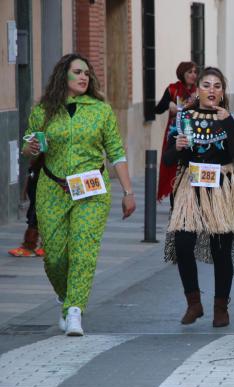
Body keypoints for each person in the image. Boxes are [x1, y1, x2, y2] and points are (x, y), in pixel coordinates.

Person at [21, 53, 136, 336]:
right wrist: (31, 149)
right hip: (52, 188)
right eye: (77, 72)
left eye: (87, 73)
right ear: (64, 76)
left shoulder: (100, 110)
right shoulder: (43, 111)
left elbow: (117, 153)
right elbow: (29, 146)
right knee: (55, 257)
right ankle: (66, 297)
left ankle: (75, 311)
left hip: (91, 188)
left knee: (83, 249)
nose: (84, 77)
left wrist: (128, 191)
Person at [163, 67, 234, 328]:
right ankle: (193, 302)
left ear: (222, 91)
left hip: (222, 187)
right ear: (197, 89)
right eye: (206, 85)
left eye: (217, 86)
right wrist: (177, 147)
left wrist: (227, 122)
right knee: (183, 244)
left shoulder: (230, 118)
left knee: (221, 249)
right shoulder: (183, 117)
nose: (212, 90)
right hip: (190, 188)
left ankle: (220, 307)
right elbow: (169, 158)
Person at [155, 62, 198, 201]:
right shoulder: (173, 89)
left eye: (195, 72)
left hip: (194, 132)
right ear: (182, 73)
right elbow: (158, 108)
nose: (193, 75)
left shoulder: (200, 90)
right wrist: (168, 104)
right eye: (189, 72)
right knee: (172, 163)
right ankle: (174, 192)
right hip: (174, 132)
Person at [8, 159, 45, 257]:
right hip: (38, 171)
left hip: (48, 172)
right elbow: (28, 151)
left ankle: (32, 245)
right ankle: (32, 245)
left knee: (36, 210)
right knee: (34, 209)